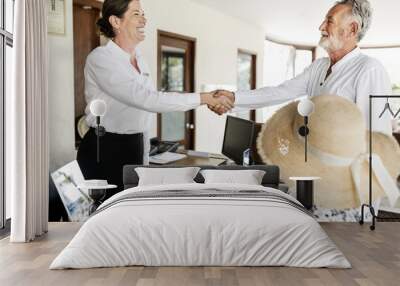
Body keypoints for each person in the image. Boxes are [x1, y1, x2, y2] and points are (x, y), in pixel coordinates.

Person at [77, 0, 233, 195]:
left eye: (143, 13)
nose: (144, 19)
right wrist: (204, 98)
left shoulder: (139, 59)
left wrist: (143, 163)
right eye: (136, 14)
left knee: (133, 208)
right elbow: (148, 100)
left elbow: (143, 113)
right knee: (109, 214)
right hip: (105, 148)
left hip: (134, 144)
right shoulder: (101, 58)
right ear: (116, 21)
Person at [212, 0, 392, 134]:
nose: (321, 27)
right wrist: (233, 98)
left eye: (329, 21)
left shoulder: (369, 70)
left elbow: (377, 139)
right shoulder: (319, 66)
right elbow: (280, 92)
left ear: (352, 29)